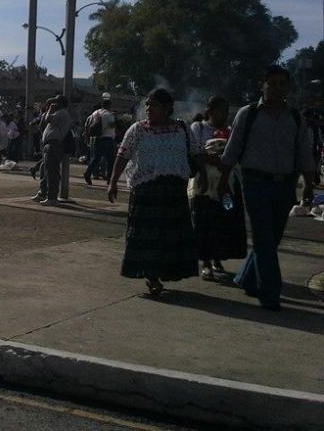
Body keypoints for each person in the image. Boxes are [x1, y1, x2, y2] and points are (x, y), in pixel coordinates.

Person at [219, 65, 316, 311]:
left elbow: (304, 153)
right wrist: (223, 180)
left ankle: (247, 278)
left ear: (288, 87)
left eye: (282, 83)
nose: (276, 88)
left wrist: (308, 185)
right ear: (262, 85)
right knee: (263, 237)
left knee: (272, 239)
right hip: (255, 183)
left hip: (285, 185)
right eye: (271, 83)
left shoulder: (295, 118)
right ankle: (271, 293)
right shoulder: (248, 114)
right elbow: (232, 149)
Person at [107, 88, 201, 297]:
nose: (148, 108)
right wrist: (112, 182)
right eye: (147, 104)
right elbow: (122, 156)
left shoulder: (182, 129)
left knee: (169, 237)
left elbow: (196, 153)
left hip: (174, 193)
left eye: (154, 104)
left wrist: (207, 178)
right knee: (147, 237)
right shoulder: (137, 130)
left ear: (167, 108)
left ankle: (164, 272)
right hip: (146, 192)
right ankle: (151, 276)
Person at [188, 96, 246, 280]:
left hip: (227, 184)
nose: (225, 115)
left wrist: (225, 165)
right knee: (204, 221)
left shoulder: (229, 131)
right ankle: (205, 262)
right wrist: (215, 161)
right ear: (210, 111)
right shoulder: (198, 127)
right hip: (204, 185)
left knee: (225, 219)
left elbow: (235, 154)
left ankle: (218, 257)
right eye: (222, 111)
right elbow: (196, 151)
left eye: (227, 111)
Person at [33, 96, 72, 205]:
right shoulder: (59, 113)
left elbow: (48, 119)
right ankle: (44, 192)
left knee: (52, 171)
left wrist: (50, 109)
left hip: (54, 143)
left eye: (56, 102)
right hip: (49, 144)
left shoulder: (61, 113)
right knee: (45, 170)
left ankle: (52, 197)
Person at [84, 93, 116, 185]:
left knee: (96, 158)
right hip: (107, 138)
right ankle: (109, 179)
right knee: (111, 160)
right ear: (109, 105)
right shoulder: (109, 114)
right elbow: (112, 126)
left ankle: (88, 173)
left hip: (96, 138)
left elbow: (89, 125)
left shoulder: (95, 113)